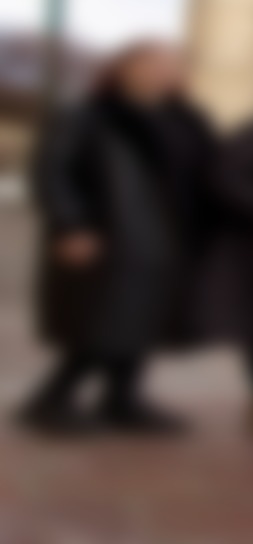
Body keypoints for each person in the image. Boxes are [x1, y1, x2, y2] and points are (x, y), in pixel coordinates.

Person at [20, 41, 212, 434]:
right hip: (109, 237)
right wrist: (71, 224)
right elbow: (54, 171)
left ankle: (122, 400)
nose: (161, 74)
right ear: (124, 69)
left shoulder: (175, 120)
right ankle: (51, 400)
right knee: (98, 323)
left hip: (162, 242)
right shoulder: (90, 115)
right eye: (150, 66)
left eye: (167, 67)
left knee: (143, 322)